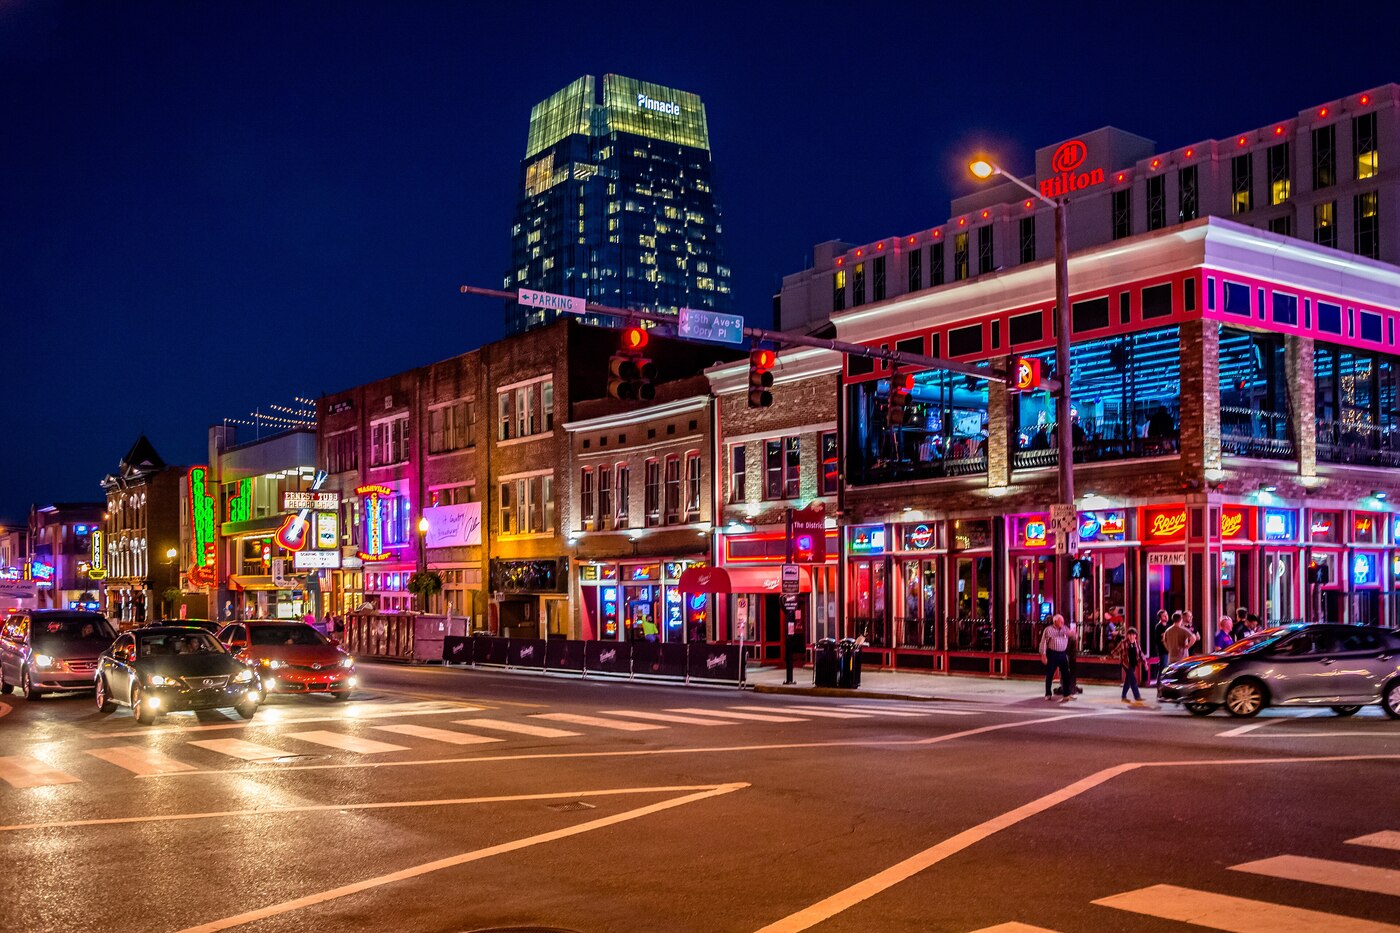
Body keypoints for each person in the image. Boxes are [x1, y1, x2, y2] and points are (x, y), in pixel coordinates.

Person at [1160, 613, 1199, 689]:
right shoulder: (1183, 630)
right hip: (1182, 658)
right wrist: (1188, 646)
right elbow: (1193, 638)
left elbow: (1164, 641)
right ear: (1181, 620)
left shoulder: (1168, 630)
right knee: (1182, 678)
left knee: (1172, 677)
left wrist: (1168, 648)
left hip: (1171, 658)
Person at [1039, 614, 1073, 700]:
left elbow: (1072, 635)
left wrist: (1073, 634)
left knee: (1066, 674)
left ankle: (1066, 694)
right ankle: (1048, 693)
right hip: (1052, 653)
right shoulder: (1048, 630)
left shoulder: (1065, 628)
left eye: (1063, 621)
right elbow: (1043, 642)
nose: (1062, 623)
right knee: (1050, 674)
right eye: (1060, 621)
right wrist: (1043, 654)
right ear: (1055, 621)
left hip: (1062, 654)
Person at [1112, 628, 1147, 703]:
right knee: (1133, 680)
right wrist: (1109, 656)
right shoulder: (1123, 643)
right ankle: (1137, 696)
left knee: (1128, 681)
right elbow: (1116, 651)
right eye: (1130, 635)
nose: (1131, 637)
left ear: (1135, 636)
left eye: (1133, 635)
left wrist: (1145, 663)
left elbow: (1140, 653)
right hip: (1126, 664)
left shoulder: (1136, 643)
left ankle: (1123, 696)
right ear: (1127, 635)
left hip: (1133, 663)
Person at [1151, 610, 1172, 686]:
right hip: (1162, 650)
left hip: (1169, 650)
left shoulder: (1168, 626)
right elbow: (1161, 639)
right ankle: (1160, 683)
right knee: (1163, 666)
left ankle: (1163, 682)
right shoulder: (1159, 627)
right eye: (1164, 616)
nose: (1166, 617)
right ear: (1160, 618)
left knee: (1166, 667)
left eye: (1167, 615)